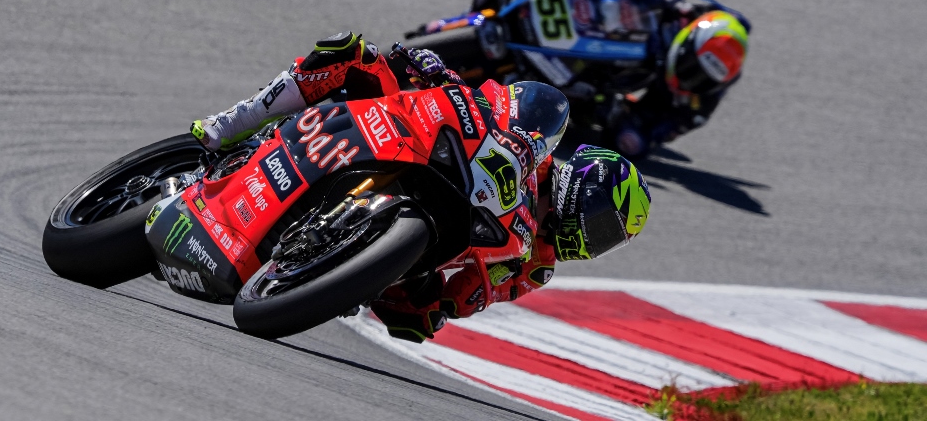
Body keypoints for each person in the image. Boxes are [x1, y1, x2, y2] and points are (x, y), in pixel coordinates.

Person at [191, 31, 652, 343]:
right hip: (422, 144)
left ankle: (331, 262)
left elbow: (472, 294)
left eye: (607, 241)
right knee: (352, 54)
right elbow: (496, 102)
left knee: (421, 313)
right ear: (585, 189)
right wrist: (441, 77)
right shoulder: (538, 144)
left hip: (431, 244)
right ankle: (233, 123)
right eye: (602, 226)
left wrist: (442, 306)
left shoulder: (536, 266)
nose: (594, 241)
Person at [471, 0, 751, 158]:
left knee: (619, 134)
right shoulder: (681, 10)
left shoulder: (699, 102)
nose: (691, 79)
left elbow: (647, 137)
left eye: (701, 79)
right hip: (602, 28)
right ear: (690, 41)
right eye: (692, 68)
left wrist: (626, 129)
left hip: (615, 85)